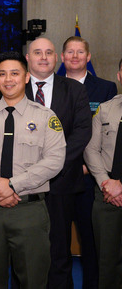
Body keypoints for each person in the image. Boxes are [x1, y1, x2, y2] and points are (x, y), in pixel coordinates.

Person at [0, 51, 66, 288]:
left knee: (33, 280)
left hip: (29, 212)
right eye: (2, 74)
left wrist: (11, 185)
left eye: (14, 73)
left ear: (27, 77)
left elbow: (55, 159)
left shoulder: (45, 117)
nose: (8, 79)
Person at [25, 37, 92, 288]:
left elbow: (82, 132)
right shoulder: (14, 88)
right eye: (38, 52)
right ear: (28, 58)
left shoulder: (75, 89)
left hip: (62, 183)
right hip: (24, 184)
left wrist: (52, 165)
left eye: (49, 52)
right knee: (25, 250)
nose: (43, 57)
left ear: (57, 58)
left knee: (60, 252)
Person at [61, 35, 117, 288]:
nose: (74, 56)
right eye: (70, 52)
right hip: (58, 176)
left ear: (89, 57)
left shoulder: (106, 89)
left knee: (93, 243)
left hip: (91, 180)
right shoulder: (52, 87)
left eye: (80, 52)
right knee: (57, 242)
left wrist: (90, 168)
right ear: (62, 58)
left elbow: (104, 137)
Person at [83, 58, 122, 288]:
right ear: (119, 76)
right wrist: (106, 183)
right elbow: (91, 149)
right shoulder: (105, 109)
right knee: (106, 262)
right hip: (106, 195)